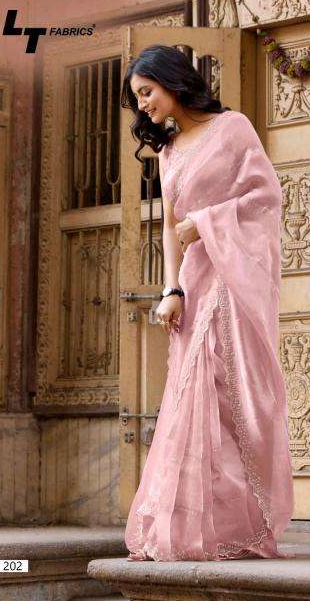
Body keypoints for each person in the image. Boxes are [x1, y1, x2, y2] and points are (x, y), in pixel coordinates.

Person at [120, 44, 294, 561]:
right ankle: (189, 526)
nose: (143, 105)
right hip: (194, 285)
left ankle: (237, 525)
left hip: (234, 278)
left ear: (172, 81)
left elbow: (266, 197)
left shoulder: (233, 129)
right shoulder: (168, 150)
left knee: (230, 395)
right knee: (192, 399)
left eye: (146, 92)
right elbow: (169, 230)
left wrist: (206, 222)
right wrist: (171, 289)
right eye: (137, 99)